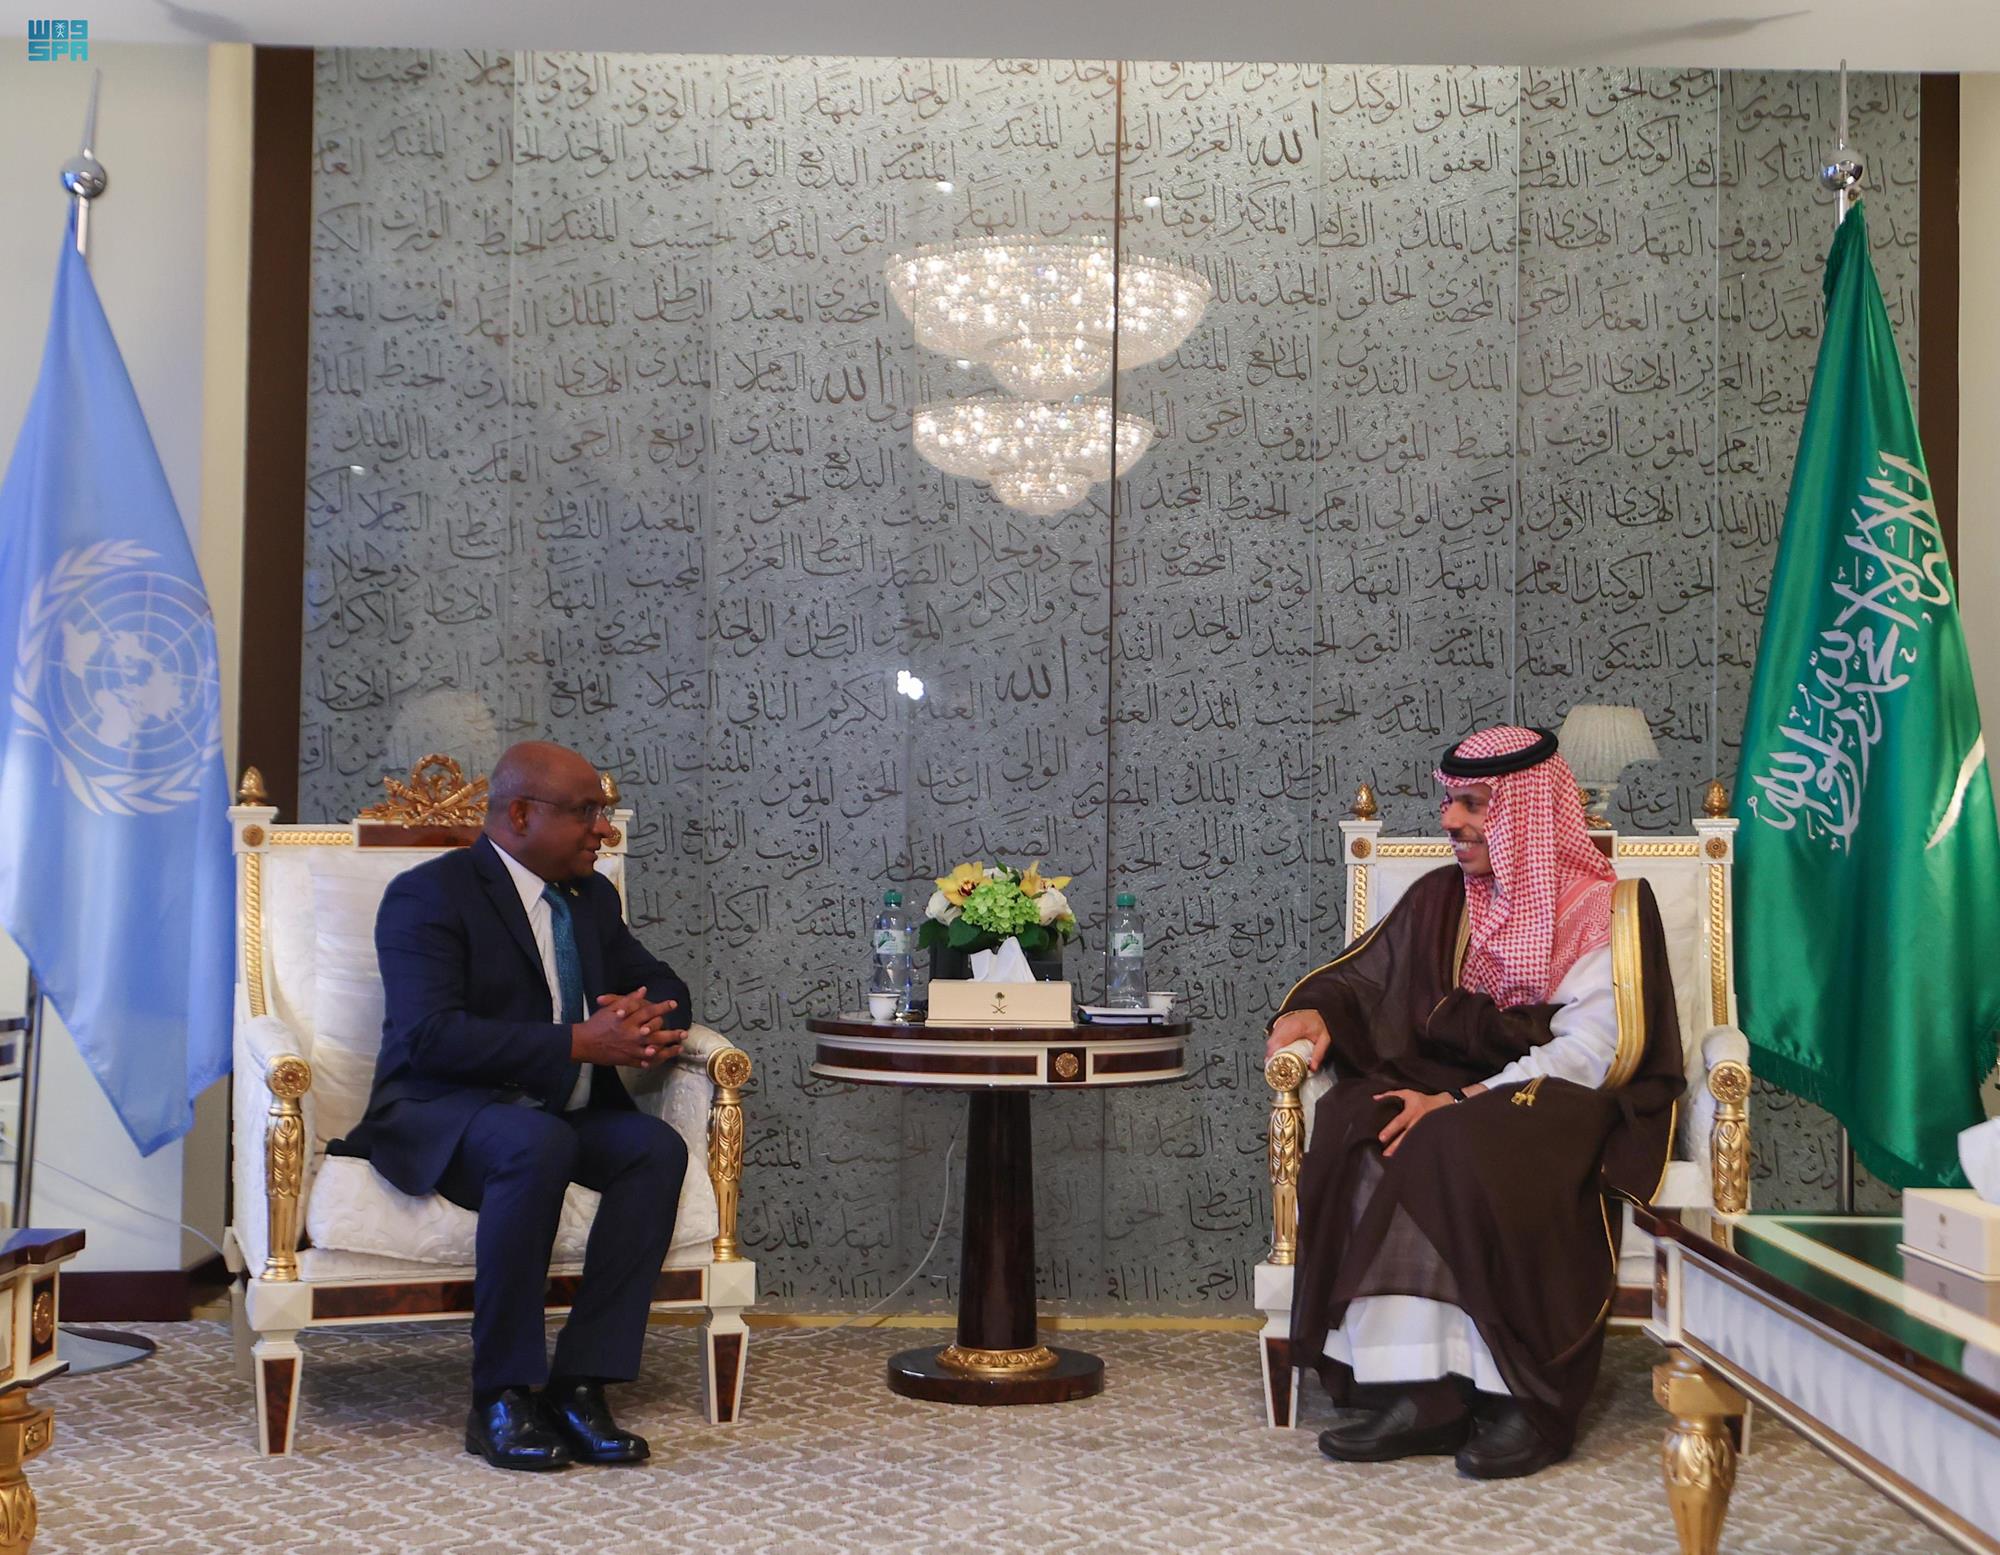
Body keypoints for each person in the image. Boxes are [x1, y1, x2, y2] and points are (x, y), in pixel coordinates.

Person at [1263, 725, 1683, 1479]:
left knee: (1450, 1137)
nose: (1450, 820)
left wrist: (1459, 1098)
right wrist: (1319, 1013)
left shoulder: (1607, 908)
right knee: (1367, 1118)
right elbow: (1371, 981)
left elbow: (1593, 1052)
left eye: (1472, 804)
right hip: (1455, 1082)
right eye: (1448, 801)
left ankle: (1521, 1394)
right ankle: (1419, 1390)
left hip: (1561, 1097)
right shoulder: (1443, 898)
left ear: (1527, 811)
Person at [335, 740, 693, 1472]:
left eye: (603, 811)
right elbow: (431, 1036)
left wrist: (645, 1016)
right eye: (586, 811)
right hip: (448, 1113)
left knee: (654, 1149)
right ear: (521, 814)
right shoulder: (429, 895)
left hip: (556, 1112)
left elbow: (664, 984)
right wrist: (577, 1042)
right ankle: (498, 1395)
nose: (604, 829)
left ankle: (580, 1384)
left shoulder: (590, 898)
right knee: (535, 1142)